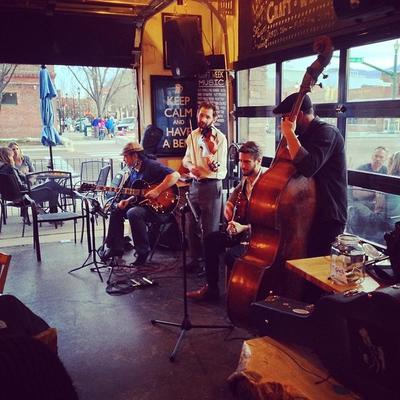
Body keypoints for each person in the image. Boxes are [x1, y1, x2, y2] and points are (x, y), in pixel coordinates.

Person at [186, 141, 266, 301]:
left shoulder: (267, 182)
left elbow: (270, 222)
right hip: (241, 232)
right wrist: (229, 204)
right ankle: (212, 289)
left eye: (247, 162)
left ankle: (240, 297)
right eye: (240, 161)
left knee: (231, 256)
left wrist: (244, 228)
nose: (242, 166)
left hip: (258, 237)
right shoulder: (247, 178)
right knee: (210, 240)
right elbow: (237, 190)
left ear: (259, 161)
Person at [273, 93, 347, 257]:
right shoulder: (303, 136)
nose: (282, 123)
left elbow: (308, 167)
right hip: (308, 213)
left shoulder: (327, 132)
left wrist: (290, 134)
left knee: (317, 266)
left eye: (285, 118)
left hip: (328, 216)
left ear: (298, 115)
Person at [100, 142, 180, 265]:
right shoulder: (134, 171)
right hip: (145, 205)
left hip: (159, 208)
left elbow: (175, 175)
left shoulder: (151, 165)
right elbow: (138, 193)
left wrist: (157, 190)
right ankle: (115, 248)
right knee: (116, 210)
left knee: (133, 213)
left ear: (135, 156)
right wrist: (127, 200)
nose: (124, 159)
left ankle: (143, 252)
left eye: (126, 156)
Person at [182, 101, 227, 268]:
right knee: (191, 226)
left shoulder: (220, 138)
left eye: (207, 117)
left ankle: (210, 267)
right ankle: (195, 260)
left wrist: (212, 165)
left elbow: (221, 167)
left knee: (210, 230)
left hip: (211, 186)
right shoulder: (193, 136)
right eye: (201, 115)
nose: (203, 119)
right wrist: (191, 167)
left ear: (213, 119)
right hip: (194, 185)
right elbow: (186, 159)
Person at [0, 147, 75, 215]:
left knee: (52, 188)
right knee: (52, 185)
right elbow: (21, 187)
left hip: (16, 196)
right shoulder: (11, 169)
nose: (13, 159)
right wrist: (32, 186)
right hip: (25, 196)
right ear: (8, 157)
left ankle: (52, 217)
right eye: (12, 157)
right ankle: (73, 193)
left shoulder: (2, 169)